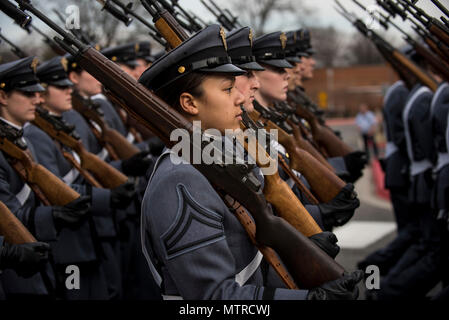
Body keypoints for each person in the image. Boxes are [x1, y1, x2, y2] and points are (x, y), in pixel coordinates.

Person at [138, 24, 363, 300]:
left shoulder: (209, 159)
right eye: (227, 89)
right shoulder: (180, 179)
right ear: (189, 103)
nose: (242, 97)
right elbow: (212, 299)